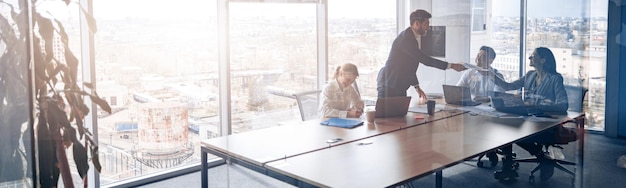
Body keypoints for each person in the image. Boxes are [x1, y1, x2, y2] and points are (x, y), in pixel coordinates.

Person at [491, 47, 568, 181]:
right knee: (506, 127)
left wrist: (535, 105)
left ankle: (540, 156)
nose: (529, 58)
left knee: (514, 133)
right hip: (529, 118)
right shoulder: (530, 75)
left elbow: (563, 105)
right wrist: (491, 76)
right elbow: (508, 86)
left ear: (543, 60)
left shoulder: (555, 78)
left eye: (533, 56)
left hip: (545, 123)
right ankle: (508, 168)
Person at [377, 9, 466, 100]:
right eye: (426, 23)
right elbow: (425, 60)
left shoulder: (410, 37)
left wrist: (417, 87)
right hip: (389, 85)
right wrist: (451, 66)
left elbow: (408, 66)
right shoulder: (406, 39)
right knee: (388, 113)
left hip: (396, 85)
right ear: (416, 24)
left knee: (400, 112)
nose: (428, 27)